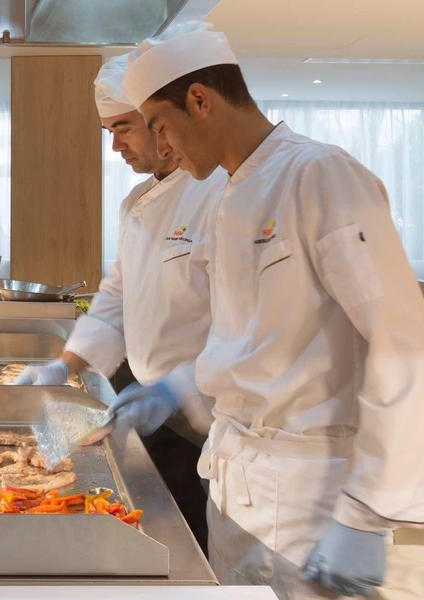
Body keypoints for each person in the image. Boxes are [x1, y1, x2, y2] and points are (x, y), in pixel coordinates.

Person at [114, 23, 424, 599]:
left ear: (200, 101)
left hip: (314, 494)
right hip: (234, 482)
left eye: (160, 125)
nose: (161, 148)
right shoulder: (228, 196)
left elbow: (403, 344)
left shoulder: (320, 175)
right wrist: (175, 388)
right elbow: (250, 340)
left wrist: (368, 511)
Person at [15, 54, 227, 547]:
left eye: (124, 127)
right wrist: (63, 365)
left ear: (163, 121)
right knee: (154, 533)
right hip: (150, 402)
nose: (115, 146)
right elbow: (116, 295)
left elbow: (245, 325)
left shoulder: (220, 193)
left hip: (206, 409)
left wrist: (175, 390)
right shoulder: (135, 203)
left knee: (194, 542)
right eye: (108, 130)